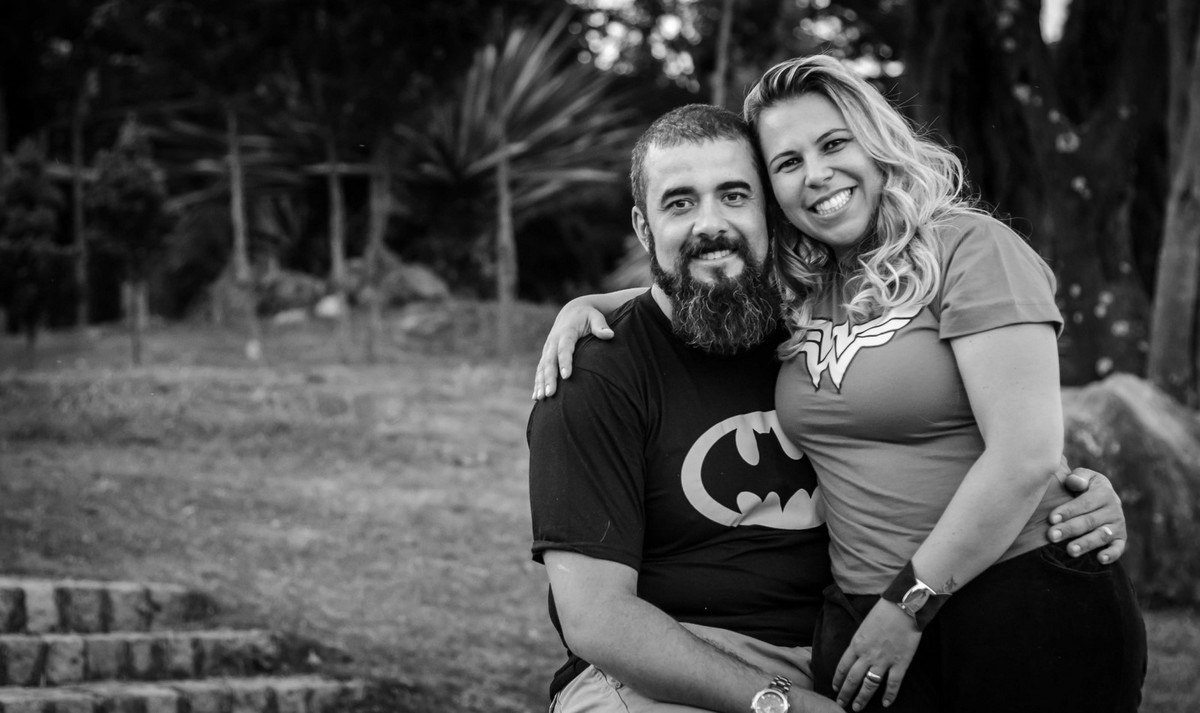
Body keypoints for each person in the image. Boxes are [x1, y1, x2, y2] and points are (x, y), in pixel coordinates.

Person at [527, 102, 1131, 713]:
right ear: (643, 226)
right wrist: (781, 704)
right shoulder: (597, 372)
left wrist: (1052, 490)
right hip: (677, 666)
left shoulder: (810, 321)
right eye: (680, 203)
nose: (711, 224)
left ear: (768, 211)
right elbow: (596, 618)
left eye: (734, 195)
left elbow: (988, 435)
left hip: (855, 648)